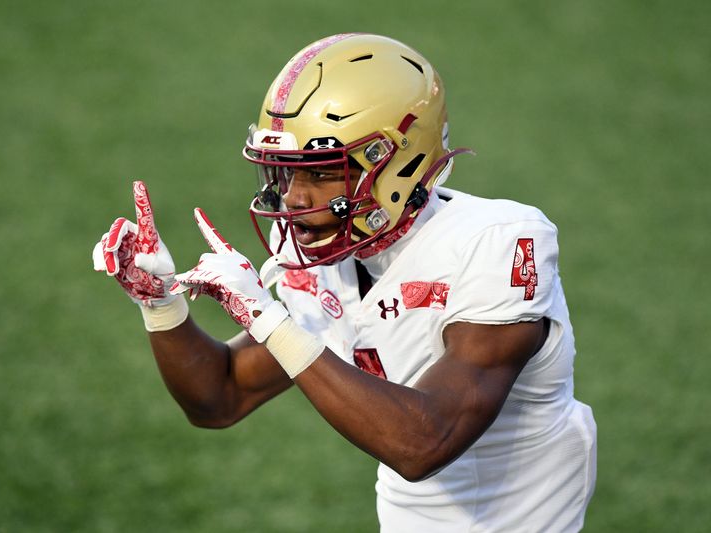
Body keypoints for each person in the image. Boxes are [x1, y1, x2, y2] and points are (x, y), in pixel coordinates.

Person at [92, 33, 596, 532]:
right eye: (285, 173)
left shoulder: (496, 243)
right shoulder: (316, 251)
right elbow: (218, 398)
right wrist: (160, 306)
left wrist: (268, 319)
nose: (292, 198)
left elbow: (425, 443)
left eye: (322, 173)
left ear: (396, 161)